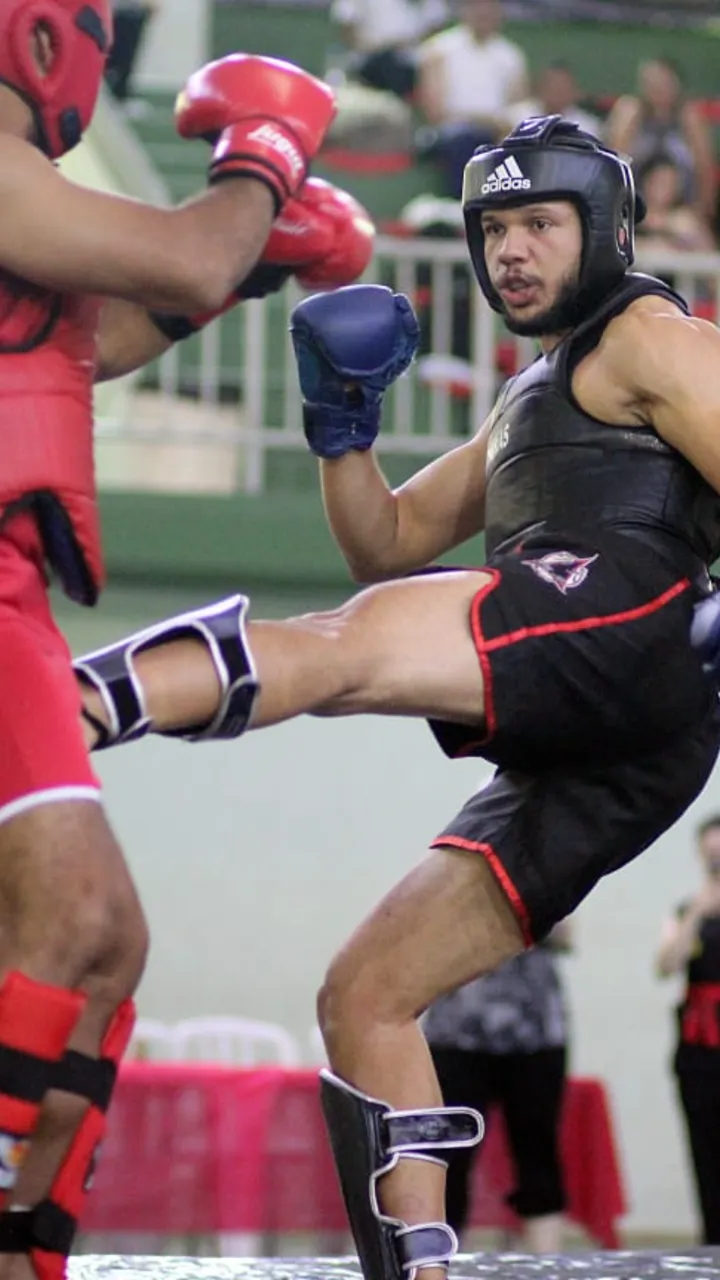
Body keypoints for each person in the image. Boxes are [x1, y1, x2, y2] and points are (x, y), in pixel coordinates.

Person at [74, 114, 720, 1280]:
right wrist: (341, 425)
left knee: (351, 647)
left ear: (611, 233)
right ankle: (416, 1267)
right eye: (493, 229)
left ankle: (63, 706)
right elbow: (389, 538)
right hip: (621, 742)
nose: (510, 251)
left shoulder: (650, 338)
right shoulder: (535, 392)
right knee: (367, 993)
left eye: (540, 223)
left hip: (628, 617)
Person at [0, 6, 379, 1277]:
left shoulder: (30, 196)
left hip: (14, 591)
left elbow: (81, 339)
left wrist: (260, 258)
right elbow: (186, 259)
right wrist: (263, 162)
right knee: (74, 919)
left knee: (105, 945)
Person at [424, 920, 573, 1252]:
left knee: (538, 1155)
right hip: (458, 1032)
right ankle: (440, 1264)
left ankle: (547, 1266)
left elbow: (566, 935)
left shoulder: (546, 871)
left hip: (534, 1032)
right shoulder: (452, 871)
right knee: (449, 1159)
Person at [655, 814, 720, 1245]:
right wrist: (698, 911)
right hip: (700, 1045)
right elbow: (666, 966)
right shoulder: (687, 910)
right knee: (705, 1149)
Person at [415, 0, 528, 197]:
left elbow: (518, 108)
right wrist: (483, 120)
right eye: (477, 6)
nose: (483, 13)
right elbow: (435, 112)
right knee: (464, 139)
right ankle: (463, 206)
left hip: (497, 131)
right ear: (464, 10)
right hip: (450, 131)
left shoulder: (511, 55)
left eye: (490, 7)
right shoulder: (438, 50)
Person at [605, 56, 716, 225]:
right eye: (652, 83)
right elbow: (613, 164)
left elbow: (705, 170)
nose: (659, 89)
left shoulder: (689, 117)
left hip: (682, 211)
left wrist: (701, 213)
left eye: (665, 83)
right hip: (634, 209)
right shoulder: (630, 111)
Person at [105, 0, 159, 103]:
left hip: (133, 10)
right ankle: (113, 95)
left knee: (126, 59)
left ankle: (120, 94)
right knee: (110, 57)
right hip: (114, 11)